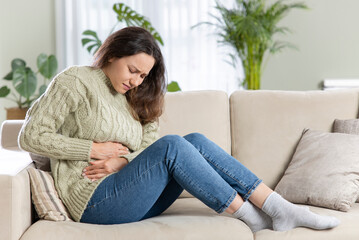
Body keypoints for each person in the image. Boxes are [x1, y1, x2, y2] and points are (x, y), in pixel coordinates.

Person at [19, 26, 340, 232]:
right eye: (132, 70)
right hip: (93, 201)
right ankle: (252, 217)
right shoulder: (77, 80)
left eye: (143, 76)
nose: (135, 81)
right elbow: (30, 135)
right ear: (114, 54)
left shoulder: (132, 98)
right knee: (173, 146)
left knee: (194, 140)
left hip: (132, 192)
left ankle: (277, 207)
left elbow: (147, 144)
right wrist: (93, 149)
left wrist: (125, 161)